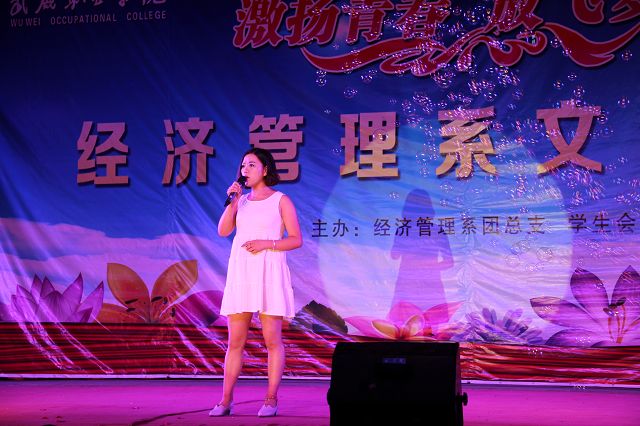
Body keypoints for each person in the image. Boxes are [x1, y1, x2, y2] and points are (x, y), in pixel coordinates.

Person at [210, 147, 302, 418]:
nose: (245, 170)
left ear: (265, 169)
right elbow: (223, 231)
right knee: (235, 342)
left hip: (269, 271)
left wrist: (266, 243)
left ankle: (271, 399)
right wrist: (233, 201)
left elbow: (296, 239)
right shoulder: (241, 201)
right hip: (242, 273)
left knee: (272, 340)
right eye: (243, 166)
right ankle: (226, 400)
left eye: (251, 165)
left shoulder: (281, 200)